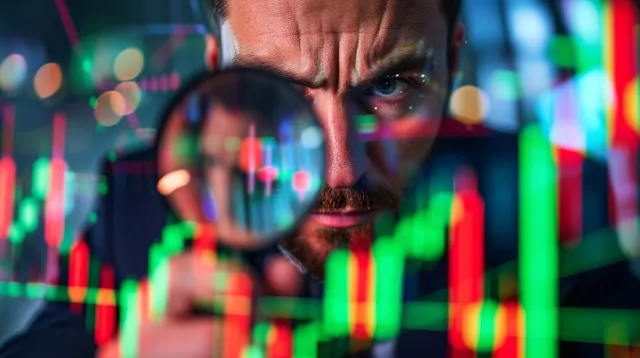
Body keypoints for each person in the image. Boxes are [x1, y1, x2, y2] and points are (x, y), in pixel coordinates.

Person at [1, 0, 639, 357]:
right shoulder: (140, 201)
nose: (339, 169)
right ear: (219, 69)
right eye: (277, 91)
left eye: (390, 87)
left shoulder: (552, 206)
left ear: (452, 60)